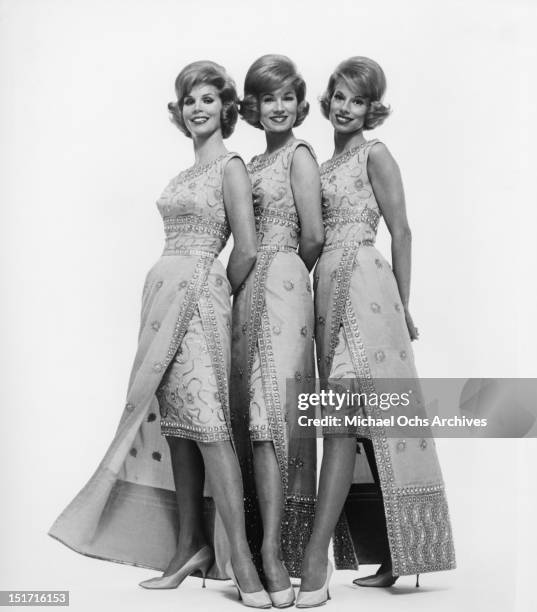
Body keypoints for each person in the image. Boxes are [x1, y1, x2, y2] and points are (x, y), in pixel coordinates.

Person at [49, 60, 272, 608]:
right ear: (181, 112)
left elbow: (245, 247)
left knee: (210, 423)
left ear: (226, 108)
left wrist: (207, 286)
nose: (198, 108)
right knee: (176, 422)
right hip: (160, 296)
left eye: (208, 99)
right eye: (189, 101)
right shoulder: (181, 175)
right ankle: (187, 547)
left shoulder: (232, 167)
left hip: (197, 294)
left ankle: (239, 558)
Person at [296, 56, 456, 607]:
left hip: (366, 289)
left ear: (373, 109)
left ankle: (316, 561)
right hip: (327, 294)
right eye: (339, 96)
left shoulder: (375, 154)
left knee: (349, 421)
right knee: (363, 423)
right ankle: (393, 553)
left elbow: (402, 230)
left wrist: (404, 304)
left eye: (357, 100)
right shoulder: (319, 160)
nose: (345, 107)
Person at [231, 54, 324, 608]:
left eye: (288, 96)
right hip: (249, 289)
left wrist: (281, 272)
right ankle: (254, 547)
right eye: (268, 98)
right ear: (253, 107)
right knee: (250, 409)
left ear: (300, 103)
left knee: (273, 415)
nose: (279, 107)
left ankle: (273, 552)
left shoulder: (300, 155)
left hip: (286, 280)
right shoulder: (248, 162)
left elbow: (312, 235)